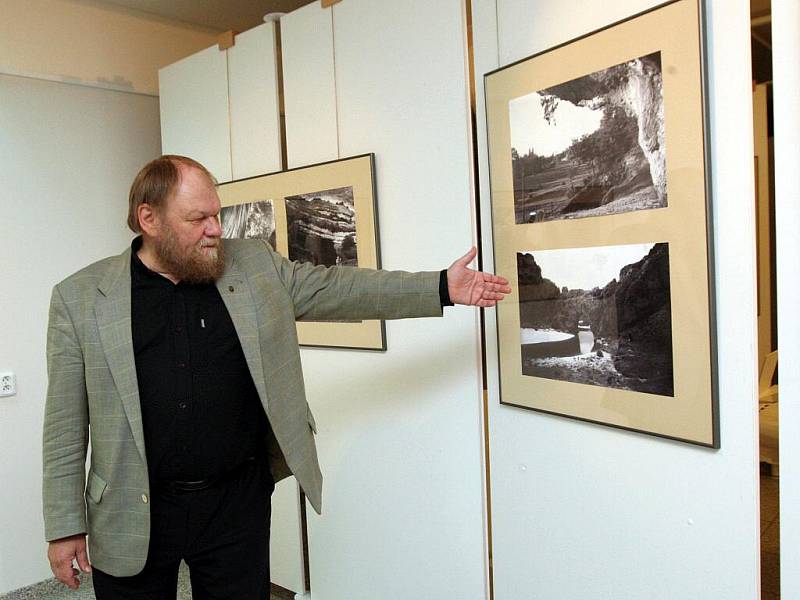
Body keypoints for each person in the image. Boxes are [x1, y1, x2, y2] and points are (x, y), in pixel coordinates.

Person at [42, 155, 511, 599]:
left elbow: (339, 289)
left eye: (217, 215)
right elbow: (64, 426)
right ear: (149, 219)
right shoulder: (80, 299)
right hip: (132, 502)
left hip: (235, 502)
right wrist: (64, 526)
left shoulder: (254, 266)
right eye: (197, 219)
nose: (215, 230)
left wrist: (440, 288)